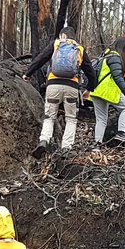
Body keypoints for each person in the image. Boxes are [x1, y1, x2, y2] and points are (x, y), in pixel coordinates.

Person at [23, 26, 95, 156]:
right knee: (71, 118)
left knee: (49, 116)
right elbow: (91, 73)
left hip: (53, 86)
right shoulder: (79, 49)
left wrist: (27, 74)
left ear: (62, 36)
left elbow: (40, 59)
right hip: (71, 87)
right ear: (73, 37)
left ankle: (44, 141)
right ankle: (66, 148)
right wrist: (89, 89)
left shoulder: (56, 44)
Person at [87, 38, 125, 146]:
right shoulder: (115, 57)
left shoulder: (105, 55)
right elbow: (117, 77)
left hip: (96, 91)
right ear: (123, 48)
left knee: (101, 120)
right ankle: (121, 132)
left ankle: (97, 145)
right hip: (108, 90)